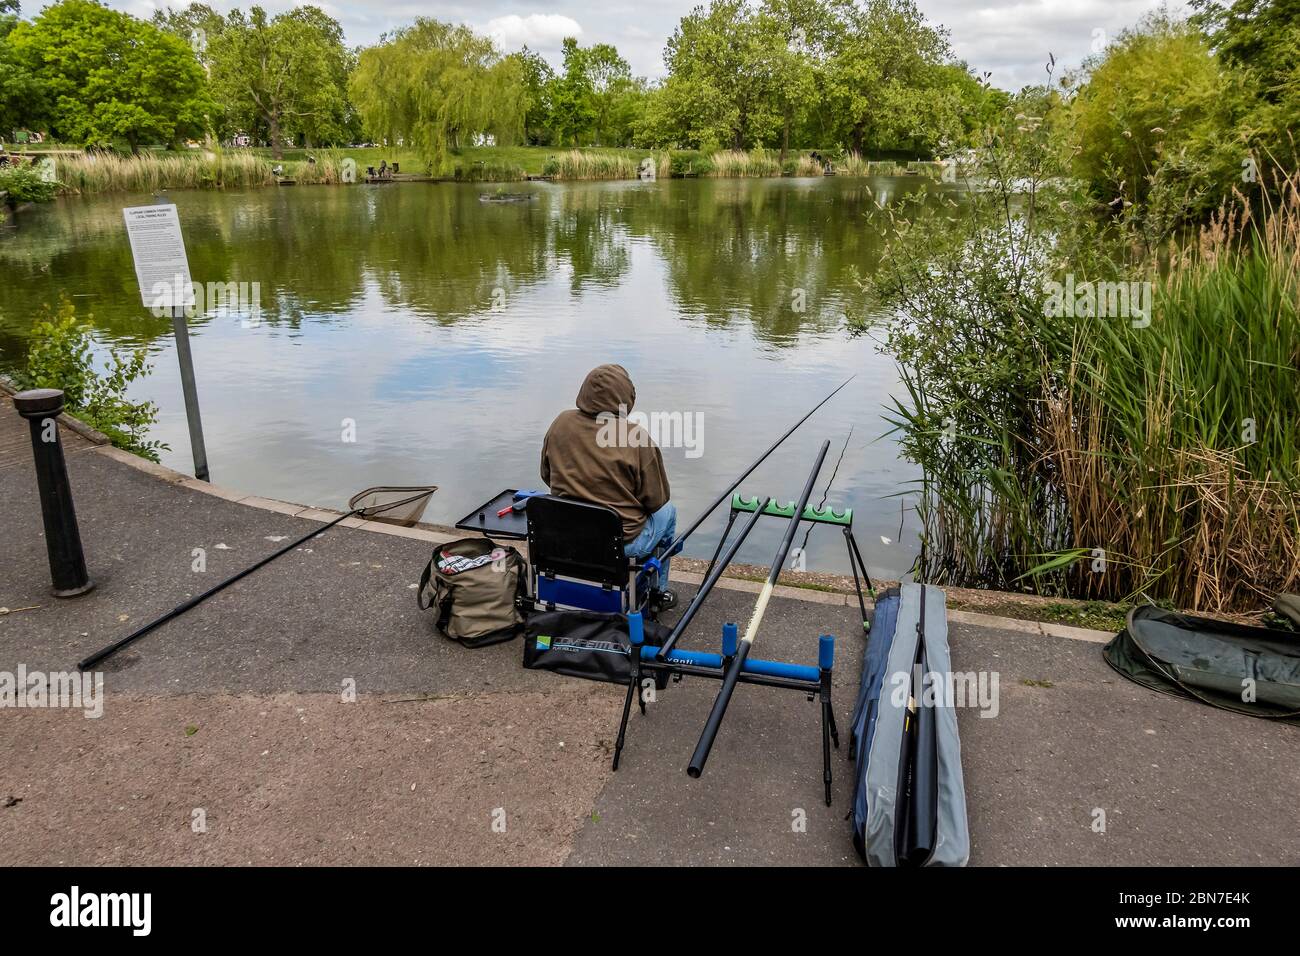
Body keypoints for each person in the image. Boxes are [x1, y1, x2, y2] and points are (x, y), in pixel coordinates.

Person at [541, 364, 677, 605]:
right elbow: (657, 500)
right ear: (626, 397)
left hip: (565, 535)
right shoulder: (636, 437)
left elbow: (546, 475)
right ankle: (658, 593)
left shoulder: (560, 422)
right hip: (621, 543)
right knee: (669, 513)